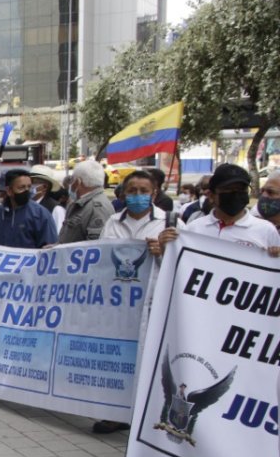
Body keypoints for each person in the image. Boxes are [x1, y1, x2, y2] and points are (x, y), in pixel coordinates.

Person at [91, 169, 183, 435]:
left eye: (144, 191)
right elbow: (100, 259)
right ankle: (116, 414)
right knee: (120, 360)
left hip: (154, 304)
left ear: (154, 193)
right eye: (133, 191)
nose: (138, 196)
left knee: (149, 362)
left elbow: (185, 266)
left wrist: (164, 253)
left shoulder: (171, 222)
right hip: (117, 307)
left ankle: (147, 416)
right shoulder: (112, 222)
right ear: (123, 193)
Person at [184, 163, 280, 255]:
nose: (235, 194)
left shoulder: (266, 231)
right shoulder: (194, 228)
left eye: (241, 190)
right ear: (211, 195)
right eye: (228, 189)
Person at [59, 160, 114, 243]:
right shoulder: (80, 204)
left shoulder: (97, 208)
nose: (71, 184)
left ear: (78, 182)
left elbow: (95, 247)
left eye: (72, 180)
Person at [29, 164, 66, 232]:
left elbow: (59, 234)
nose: (30, 186)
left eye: (35, 182)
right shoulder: (22, 205)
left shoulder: (56, 209)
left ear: (45, 187)